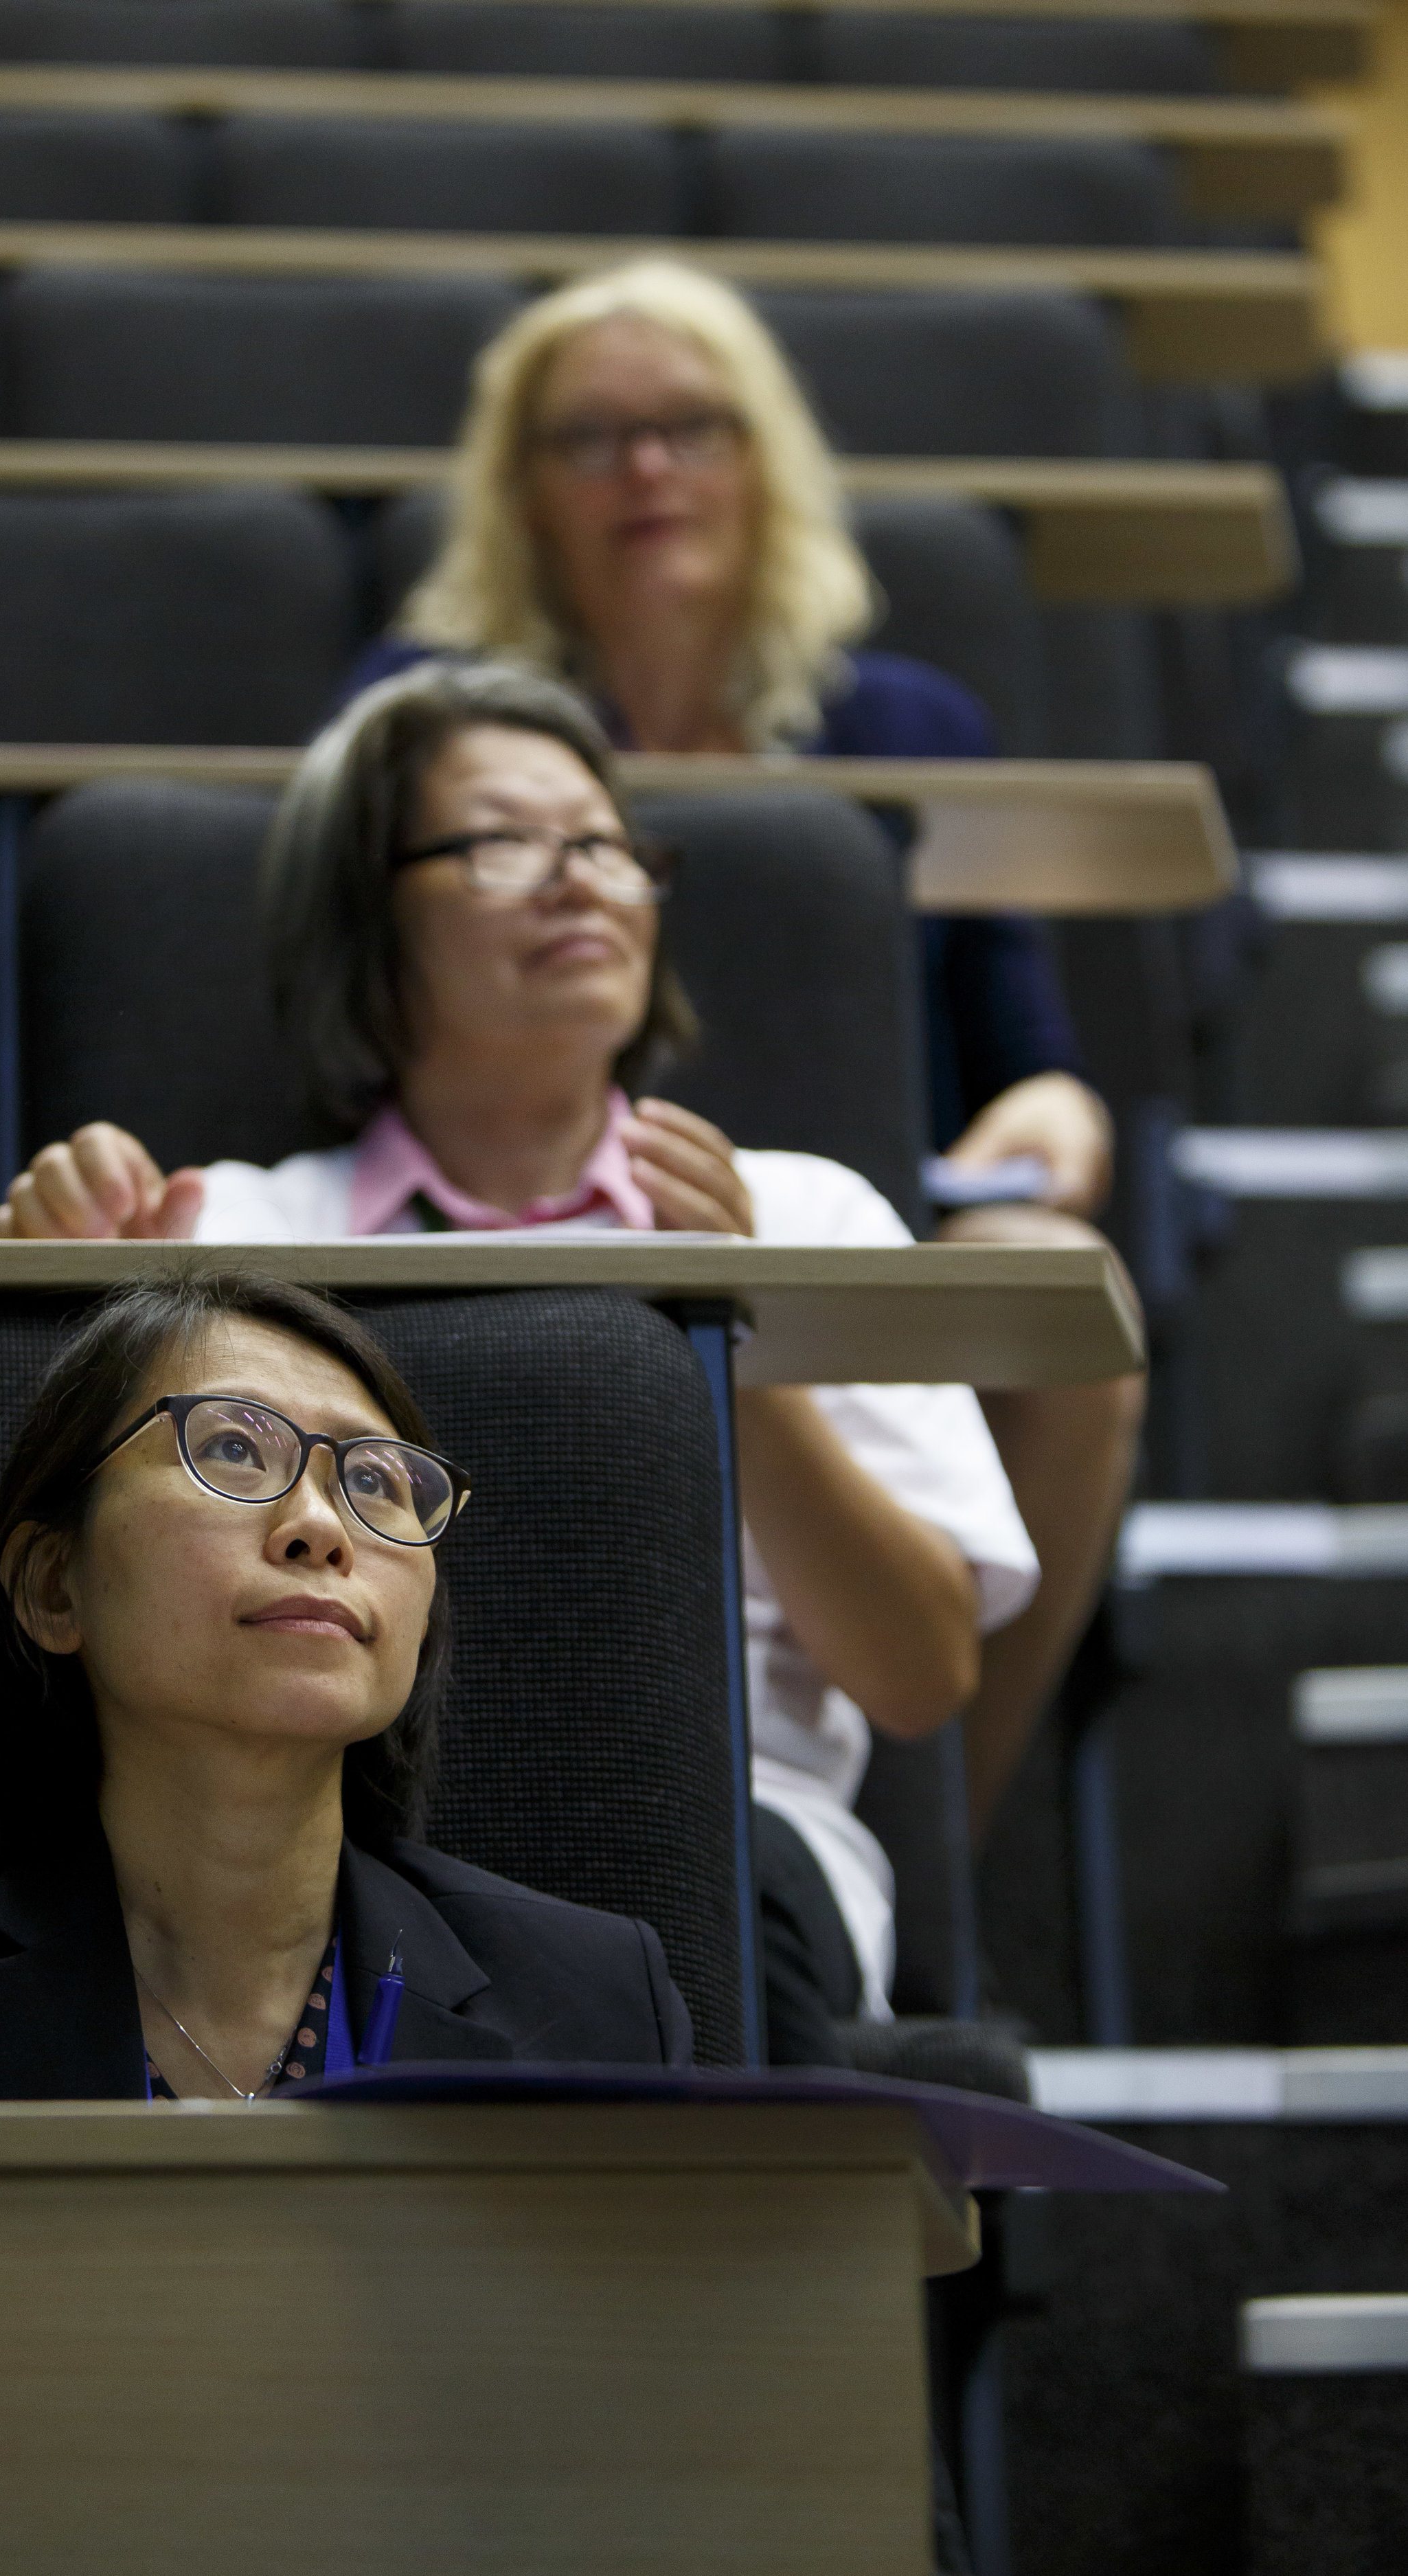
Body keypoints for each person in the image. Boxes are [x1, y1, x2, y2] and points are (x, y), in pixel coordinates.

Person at [0, 660, 1045, 2035]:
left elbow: (918, 1676)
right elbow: (48, 1617)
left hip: (716, 1823)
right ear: (368, 911)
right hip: (291, 1807)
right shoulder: (235, 1230)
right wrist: (42, 1312)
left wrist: (726, 1326)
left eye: (607, 845)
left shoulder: (805, 1216)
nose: (578, 880)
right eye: (502, 843)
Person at [345, 256, 1145, 1846]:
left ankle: (922, 1862)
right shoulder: (425, 727)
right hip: (536, 1208)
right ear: (522, 486)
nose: (647, 469)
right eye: (593, 438)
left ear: (761, 458)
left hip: (855, 1229)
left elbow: (1029, 1062)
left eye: (690, 427)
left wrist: (1046, 1127)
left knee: (1057, 1288)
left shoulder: (904, 721)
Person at [0, 1271, 694, 2100]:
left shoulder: (598, 2003)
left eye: (378, 1480)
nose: (321, 1527)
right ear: (56, 1585)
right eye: (232, 1447)